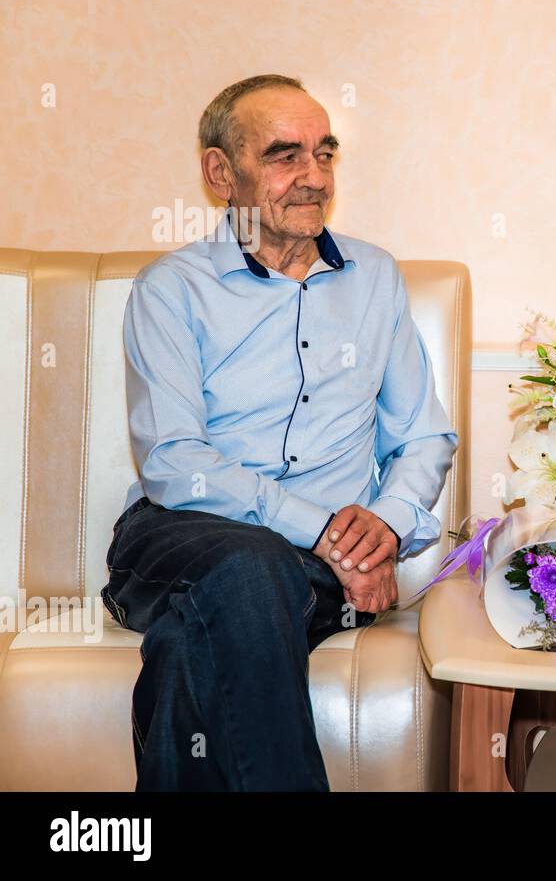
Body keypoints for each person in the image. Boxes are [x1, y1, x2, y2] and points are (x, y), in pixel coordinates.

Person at [103, 74, 459, 790]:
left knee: (186, 646)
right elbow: (175, 462)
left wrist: (381, 530)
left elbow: (423, 438)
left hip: (311, 572)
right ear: (218, 172)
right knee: (247, 564)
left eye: (324, 154)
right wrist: (325, 527)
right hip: (178, 535)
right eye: (284, 155)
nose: (314, 176)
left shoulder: (375, 279)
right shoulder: (171, 289)